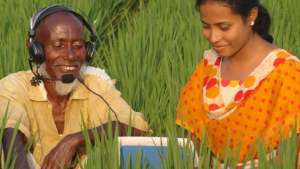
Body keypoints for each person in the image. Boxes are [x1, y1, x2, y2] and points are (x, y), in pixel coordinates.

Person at [1, 5, 150, 169]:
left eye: (78, 45)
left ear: (88, 50)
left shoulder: (94, 84)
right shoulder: (14, 86)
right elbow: (11, 136)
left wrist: (75, 140)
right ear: (35, 50)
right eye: (58, 45)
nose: (70, 55)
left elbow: (137, 132)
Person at [176, 0, 300, 167]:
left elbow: (290, 153)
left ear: (251, 16)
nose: (214, 37)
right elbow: (193, 131)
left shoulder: (286, 72)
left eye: (224, 27)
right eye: (206, 26)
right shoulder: (208, 66)